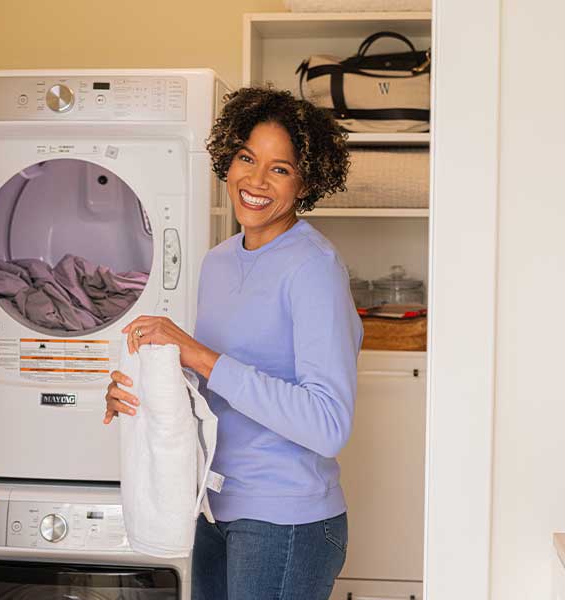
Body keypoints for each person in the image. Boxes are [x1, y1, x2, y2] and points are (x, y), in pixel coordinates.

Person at [103, 87, 362, 600]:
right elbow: (214, 391)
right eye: (247, 157)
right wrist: (145, 393)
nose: (256, 181)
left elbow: (328, 425)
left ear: (307, 179)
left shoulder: (314, 268)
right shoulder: (218, 261)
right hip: (215, 505)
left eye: (280, 168)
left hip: (285, 522)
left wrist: (198, 352)